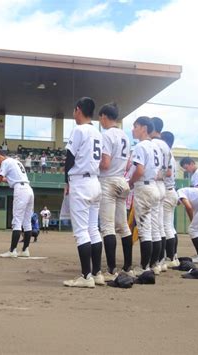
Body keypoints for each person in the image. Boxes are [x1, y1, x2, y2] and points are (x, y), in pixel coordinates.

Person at [62, 97, 103, 288]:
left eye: (74, 110)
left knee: (81, 232)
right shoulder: (97, 132)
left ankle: (86, 277)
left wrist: (66, 181)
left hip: (80, 182)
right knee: (93, 229)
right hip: (95, 181)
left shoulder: (79, 129)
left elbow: (69, 158)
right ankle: (97, 273)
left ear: (78, 110)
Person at [98, 102, 133, 281]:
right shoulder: (125, 135)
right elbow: (128, 164)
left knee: (107, 227)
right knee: (123, 226)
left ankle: (111, 269)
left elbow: (104, 163)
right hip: (122, 180)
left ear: (104, 116)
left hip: (108, 181)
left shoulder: (106, 135)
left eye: (100, 118)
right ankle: (128, 266)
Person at [0, 151, 34, 258]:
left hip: (20, 189)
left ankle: (12, 250)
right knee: (27, 222)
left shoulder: (5, 162)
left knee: (17, 221)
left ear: (0, 157)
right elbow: (6, 179)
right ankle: (25, 250)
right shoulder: (16, 162)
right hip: (28, 189)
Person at [127, 116, 160, 276]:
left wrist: (131, 182)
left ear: (144, 128)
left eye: (136, 126)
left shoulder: (141, 146)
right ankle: (154, 265)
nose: (133, 129)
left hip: (144, 187)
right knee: (154, 229)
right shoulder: (156, 147)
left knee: (145, 230)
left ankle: (144, 267)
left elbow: (139, 171)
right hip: (154, 186)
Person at [149, 116, 171, 275]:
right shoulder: (165, 145)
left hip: (153, 184)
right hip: (163, 185)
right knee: (161, 226)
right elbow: (169, 171)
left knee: (152, 227)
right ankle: (161, 261)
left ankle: (153, 263)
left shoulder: (152, 143)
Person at [161, 131, 180, 267]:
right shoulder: (170, 154)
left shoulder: (166, 152)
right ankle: (173, 256)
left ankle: (170, 257)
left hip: (167, 191)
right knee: (170, 227)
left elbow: (167, 172)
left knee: (166, 227)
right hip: (171, 191)